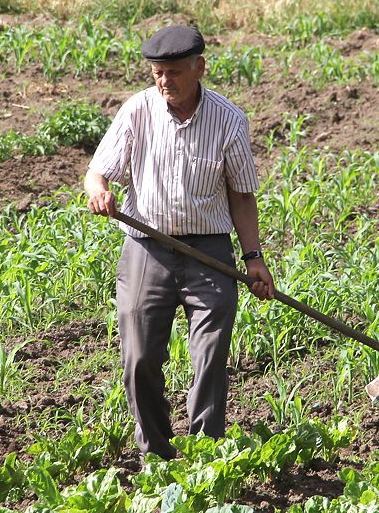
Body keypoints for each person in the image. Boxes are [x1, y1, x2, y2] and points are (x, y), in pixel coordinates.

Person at [84, 25, 275, 461]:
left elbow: (241, 195)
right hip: (146, 248)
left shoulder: (229, 120)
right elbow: (98, 172)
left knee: (209, 357)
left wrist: (253, 258)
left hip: (208, 251)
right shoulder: (137, 112)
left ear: (199, 68)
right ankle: (156, 452)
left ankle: (206, 455)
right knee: (139, 359)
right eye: (157, 73)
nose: (164, 81)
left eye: (173, 72)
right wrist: (99, 191)